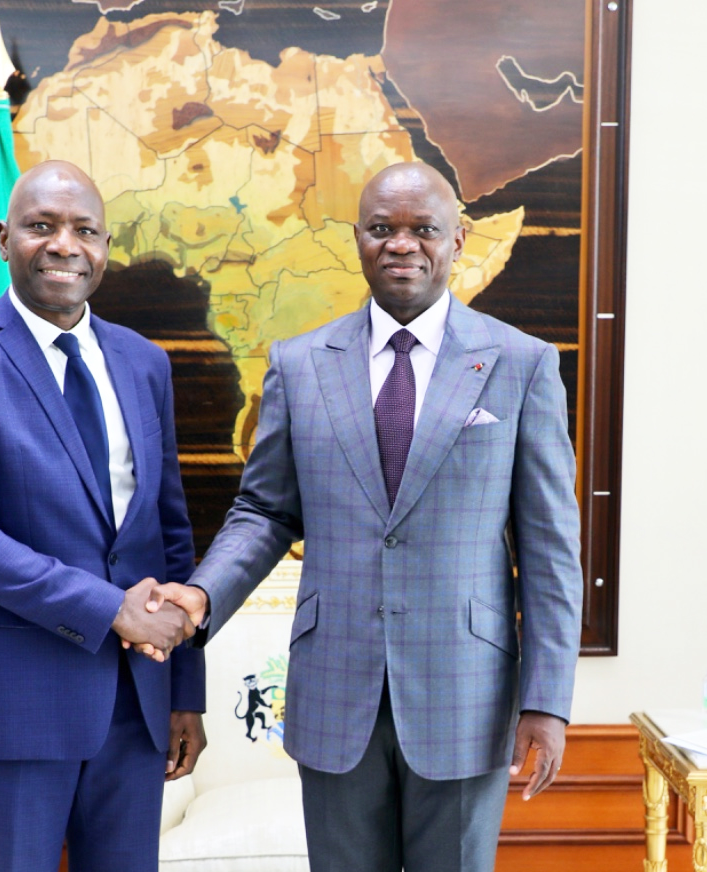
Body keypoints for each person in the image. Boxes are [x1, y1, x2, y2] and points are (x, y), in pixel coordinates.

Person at [151, 162, 583, 871]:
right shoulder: (299, 364)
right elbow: (264, 510)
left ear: (458, 239)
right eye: (382, 228)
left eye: (423, 229)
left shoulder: (521, 364)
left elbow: (550, 550)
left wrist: (547, 701)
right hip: (334, 690)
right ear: (357, 237)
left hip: (465, 694)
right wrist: (201, 596)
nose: (401, 244)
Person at [0, 160, 205, 872]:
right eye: (42, 226)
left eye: (84, 230)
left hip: (137, 704)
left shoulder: (144, 362)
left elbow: (168, 531)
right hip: (16, 705)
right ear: (4, 238)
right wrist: (109, 609)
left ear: (106, 246)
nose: (64, 245)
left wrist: (184, 693)